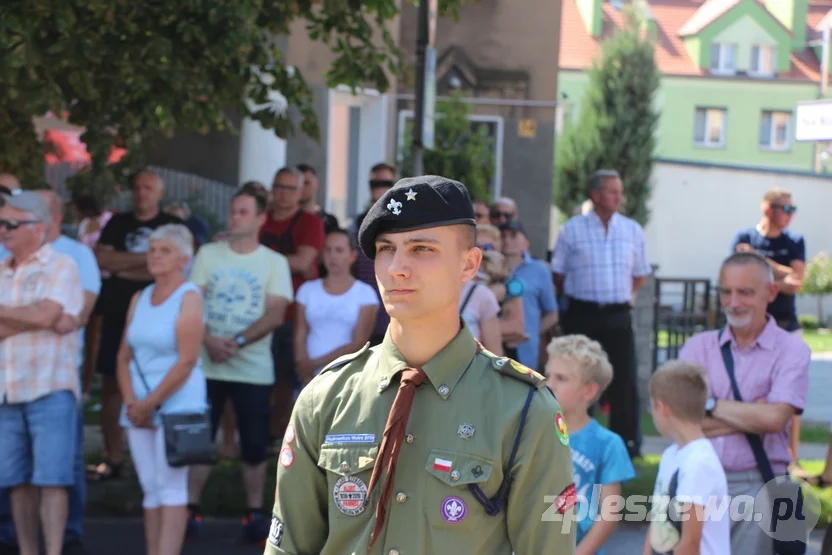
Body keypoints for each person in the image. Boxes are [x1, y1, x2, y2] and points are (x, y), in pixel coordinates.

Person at [265, 175, 577, 555]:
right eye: (385, 248)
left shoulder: (524, 409)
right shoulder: (326, 397)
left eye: (421, 249)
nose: (397, 267)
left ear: (469, 264)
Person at [187, 184, 293, 545]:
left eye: (244, 211)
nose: (235, 217)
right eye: (234, 210)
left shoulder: (274, 263)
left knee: (253, 446)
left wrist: (237, 342)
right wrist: (209, 341)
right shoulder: (208, 254)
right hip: (206, 367)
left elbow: (276, 312)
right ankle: (190, 509)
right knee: (199, 442)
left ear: (261, 219)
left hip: (253, 370)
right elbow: (191, 304)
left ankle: (253, 513)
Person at [0, 191, 83, 555]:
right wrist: (39, 317)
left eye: (10, 224)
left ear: (37, 227)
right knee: (16, 483)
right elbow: (46, 318)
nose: (3, 231)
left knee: (52, 481)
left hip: (51, 388)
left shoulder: (62, 265)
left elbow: (48, 316)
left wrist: (40, 317)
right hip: (6, 391)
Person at [115, 224, 207, 555]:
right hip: (138, 406)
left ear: (183, 258)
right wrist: (131, 402)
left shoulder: (190, 297)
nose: (155, 256)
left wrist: (148, 404)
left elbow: (186, 361)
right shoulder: (139, 297)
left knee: (171, 489)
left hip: (176, 405)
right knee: (150, 489)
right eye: (152, 249)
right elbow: (124, 357)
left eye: (164, 250)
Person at [551, 169, 652, 458]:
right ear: (595, 195)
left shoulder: (632, 229)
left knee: (624, 381)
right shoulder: (571, 229)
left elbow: (640, 275)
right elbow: (558, 273)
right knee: (576, 378)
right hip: (582, 314)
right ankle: (571, 441)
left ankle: (627, 447)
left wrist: (621, 298)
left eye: (620, 191)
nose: (619, 197)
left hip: (618, 315)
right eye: (612, 192)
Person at [90, 169, 184, 481]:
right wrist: (146, 262)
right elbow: (103, 260)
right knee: (112, 388)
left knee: (161, 383)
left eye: (148, 188)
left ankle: (157, 458)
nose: (141, 193)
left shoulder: (171, 227)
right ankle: (113, 457)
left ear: (160, 193)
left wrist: (123, 263)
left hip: (161, 319)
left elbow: (169, 273)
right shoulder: (117, 223)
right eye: (137, 188)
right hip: (118, 316)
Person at [545, 335, 635, 555]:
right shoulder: (531, 434)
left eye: (561, 378)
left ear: (589, 391)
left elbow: (609, 515)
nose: (549, 384)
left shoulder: (608, 444)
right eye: (547, 375)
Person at [642, 360, 731, 555]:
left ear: (662, 408)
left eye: (652, 408)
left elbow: (690, 542)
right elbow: (658, 519)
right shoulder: (671, 455)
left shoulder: (698, 464)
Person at [293, 229, 379, 382]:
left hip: (345, 377)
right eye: (328, 250)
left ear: (352, 256)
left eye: (339, 250)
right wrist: (304, 369)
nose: (332, 256)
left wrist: (315, 365)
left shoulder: (365, 294)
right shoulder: (307, 290)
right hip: (308, 377)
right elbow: (299, 334)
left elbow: (359, 343)